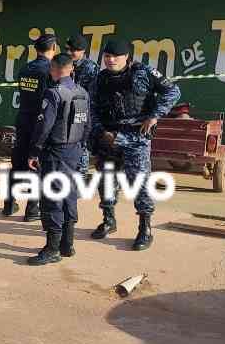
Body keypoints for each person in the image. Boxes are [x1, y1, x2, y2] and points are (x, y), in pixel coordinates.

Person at [89, 39, 181, 250]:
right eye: (107, 56)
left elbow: (173, 91)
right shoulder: (100, 79)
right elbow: (92, 108)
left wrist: (155, 116)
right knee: (106, 181)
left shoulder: (144, 72)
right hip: (108, 137)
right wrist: (101, 131)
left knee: (140, 183)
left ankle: (145, 228)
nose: (110, 60)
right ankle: (109, 220)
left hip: (136, 137)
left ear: (127, 57)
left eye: (115, 56)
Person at [26, 54, 91, 266]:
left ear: (53, 70)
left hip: (55, 151)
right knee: (69, 195)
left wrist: (34, 151)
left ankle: (52, 248)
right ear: (71, 69)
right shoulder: (82, 92)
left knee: (53, 198)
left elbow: (44, 126)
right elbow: (87, 125)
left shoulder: (54, 93)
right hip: (75, 150)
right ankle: (67, 244)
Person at [4, 33, 57, 221]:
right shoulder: (50, 70)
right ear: (54, 48)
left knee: (17, 162)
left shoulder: (25, 69)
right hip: (39, 122)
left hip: (23, 118)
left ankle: (9, 204)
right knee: (35, 163)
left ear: (36, 49)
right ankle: (32, 210)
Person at [67, 34, 99, 173]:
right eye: (67, 49)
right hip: (67, 111)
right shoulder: (66, 65)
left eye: (73, 50)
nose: (69, 53)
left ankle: (80, 175)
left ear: (82, 51)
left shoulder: (90, 67)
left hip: (83, 112)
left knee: (81, 145)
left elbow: (92, 95)